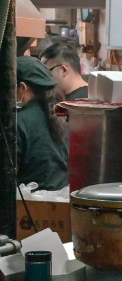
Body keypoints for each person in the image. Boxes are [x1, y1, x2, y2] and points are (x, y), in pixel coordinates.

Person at [15, 56, 69, 191]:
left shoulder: (19, 122)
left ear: (22, 88)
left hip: (27, 206)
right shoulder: (62, 115)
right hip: (60, 203)